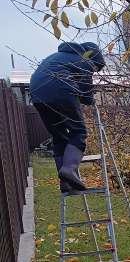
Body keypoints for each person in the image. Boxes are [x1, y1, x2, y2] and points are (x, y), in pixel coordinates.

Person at [30, 42, 106, 192]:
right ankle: (69, 169)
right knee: (79, 132)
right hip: (61, 89)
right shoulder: (84, 62)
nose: (94, 71)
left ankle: (66, 183)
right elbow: (86, 96)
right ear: (93, 58)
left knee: (59, 137)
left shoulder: (57, 57)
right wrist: (90, 95)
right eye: (96, 69)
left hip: (37, 94)